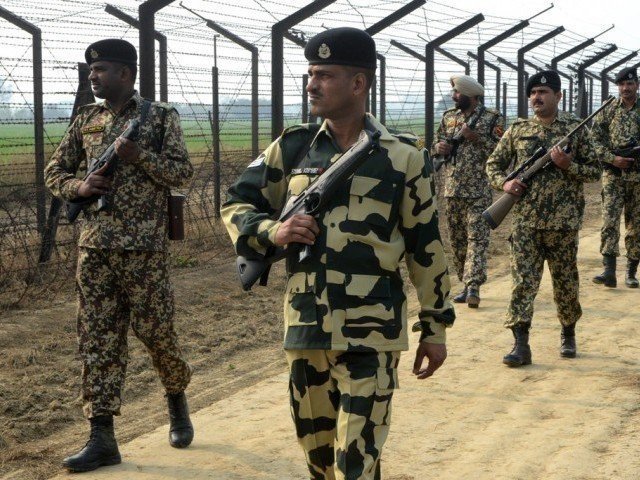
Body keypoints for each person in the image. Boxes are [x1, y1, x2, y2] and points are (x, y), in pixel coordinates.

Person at [221, 27, 455, 480]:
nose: (311, 84)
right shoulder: (293, 146)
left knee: (356, 463)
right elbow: (236, 203)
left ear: (358, 83)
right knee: (320, 464)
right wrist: (274, 230)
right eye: (310, 73)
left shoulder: (402, 156)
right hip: (306, 328)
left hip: (372, 330)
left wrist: (435, 326)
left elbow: (426, 247)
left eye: (324, 75)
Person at [44, 39, 194, 472]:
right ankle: (102, 436)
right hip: (94, 250)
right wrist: (80, 188)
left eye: (103, 69)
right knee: (98, 340)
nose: (94, 76)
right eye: (92, 70)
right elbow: (56, 170)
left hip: (144, 250)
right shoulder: (86, 119)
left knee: (157, 334)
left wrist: (139, 156)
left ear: (126, 74)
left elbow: (182, 172)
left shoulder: (160, 117)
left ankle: (176, 402)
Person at [485, 70, 600, 367]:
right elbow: (493, 164)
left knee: (565, 283)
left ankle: (568, 333)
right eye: (533, 92)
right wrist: (505, 184)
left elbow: (596, 171)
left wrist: (568, 165)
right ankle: (520, 345)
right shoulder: (518, 130)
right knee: (523, 283)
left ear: (558, 96)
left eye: (544, 92)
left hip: (563, 224)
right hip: (526, 223)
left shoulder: (575, 130)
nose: (537, 97)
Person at [431, 75, 504, 308]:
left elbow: (503, 151)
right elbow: (436, 145)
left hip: (479, 189)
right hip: (452, 189)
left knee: (477, 238)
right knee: (457, 240)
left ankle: (474, 285)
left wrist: (476, 138)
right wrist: (438, 148)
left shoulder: (492, 118)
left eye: (457, 93)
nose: (453, 97)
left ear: (471, 96)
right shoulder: (448, 117)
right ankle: (465, 283)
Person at [590, 66, 640, 289]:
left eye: (629, 84)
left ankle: (631, 272)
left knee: (636, 224)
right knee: (609, 221)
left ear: (637, 85)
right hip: (613, 174)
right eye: (621, 84)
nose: (625, 88)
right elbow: (595, 140)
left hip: (638, 176)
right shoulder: (608, 108)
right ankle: (609, 271)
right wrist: (612, 158)